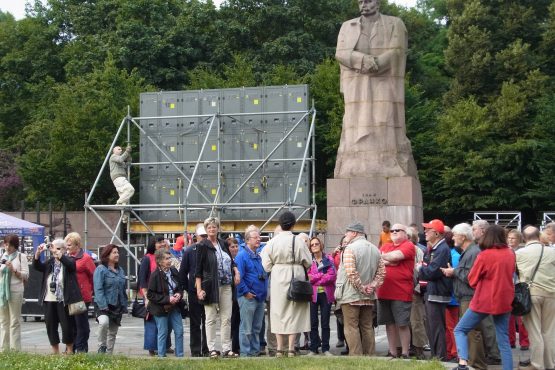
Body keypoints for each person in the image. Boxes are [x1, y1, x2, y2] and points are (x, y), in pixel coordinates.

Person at [334, 0, 417, 178]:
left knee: (383, 119)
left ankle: (389, 162)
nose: (364, 4)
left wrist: (377, 64)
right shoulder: (347, 26)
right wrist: (364, 61)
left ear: (378, 3)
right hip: (356, 85)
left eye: (368, 0)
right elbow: (340, 53)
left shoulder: (395, 23)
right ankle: (354, 164)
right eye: (360, 1)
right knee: (356, 123)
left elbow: (397, 51)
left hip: (385, 82)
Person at [453, 225, 515, 370]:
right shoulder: (510, 253)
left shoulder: (484, 255)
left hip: (484, 300)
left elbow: (472, 279)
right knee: (503, 340)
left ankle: (462, 364)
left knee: (460, 330)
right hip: (505, 300)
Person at [261, 211, 312, 357]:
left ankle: (279, 349)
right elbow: (308, 261)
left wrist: (276, 269)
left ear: (280, 224)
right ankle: (291, 348)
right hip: (295, 274)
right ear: (293, 224)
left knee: (278, 312)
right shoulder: (298, 241)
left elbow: (265, 264)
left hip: (278, 276)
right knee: (294, 312)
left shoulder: (272, 242)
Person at [334, 221, 385, 356]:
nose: (346, 234)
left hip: (351, 294)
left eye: (348, 232)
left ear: (355, 233)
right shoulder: (375, 249)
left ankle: (356, 357)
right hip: (368, 296)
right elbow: (382, 273)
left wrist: (361, 287)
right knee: (367, 326)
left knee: (351, 327)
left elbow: (351, 272)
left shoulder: (350, 249)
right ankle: (370, 355)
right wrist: (372, 286)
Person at [441, 223, 487, 370]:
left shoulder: (473, 252)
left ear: (463, 236)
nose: (453, 237)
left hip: (470, 297)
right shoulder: (469, 251)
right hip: (466, 297)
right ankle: (472, 363)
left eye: (455, 234)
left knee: (472, 332)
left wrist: (454, 272)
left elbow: (471, 277)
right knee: (469, 331)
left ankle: (476, 365)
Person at [195, 217, 240, 359]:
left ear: (218, 228)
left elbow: (231, 261)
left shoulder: (223, 243)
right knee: (211, 318)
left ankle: (227, 348)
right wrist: (199, 289)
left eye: (214, 227)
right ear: (206, 229)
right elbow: (198, 270)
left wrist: (236, 271)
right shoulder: (202, 245)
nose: (212, 229)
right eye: (209, 227)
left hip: (226, 285)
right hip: (210, 286)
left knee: (226, 318)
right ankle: (212, 349)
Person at [516, 226, 555, 370]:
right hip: (552, 294)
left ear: (524, 238)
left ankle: (537, 365)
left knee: (535, 331)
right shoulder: (552, 252)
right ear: (539, 236)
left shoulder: (519, 253)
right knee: (549, 331)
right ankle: (550, 364)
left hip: (531, 294)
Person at [33, 238, 81, 354]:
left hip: (63, 300)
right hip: (49, 299)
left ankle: (69, 350)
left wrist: (58, 253)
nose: (55, 251)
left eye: (58, 248)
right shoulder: (50, 263)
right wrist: (37, 255)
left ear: (64, 250)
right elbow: (38, 267)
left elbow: (71, 266)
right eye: (53, 248)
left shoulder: (69, 260)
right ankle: (55, 351)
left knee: (67, 326)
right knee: (51, 325)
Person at [378, 223, 415, 359]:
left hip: (401, 292)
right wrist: (390, 259)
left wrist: (387, 258)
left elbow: (396, 256)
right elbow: (380, 260)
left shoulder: (408, 245)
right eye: (392, 230)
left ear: (406, 234)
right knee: (389, 323)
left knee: (402, 323)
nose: (393, 232)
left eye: (397, 230)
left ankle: (405, 352)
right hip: (384, 290)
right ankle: (392, 351)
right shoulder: (386, 245)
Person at [417, 219, 452, 361]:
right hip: (432, 292)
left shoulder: (442, 249)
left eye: (428, 230)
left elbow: (433, 272)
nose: (424, 232)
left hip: (437, 293)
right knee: (432, 327)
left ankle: (439, 357)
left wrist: (420, 268)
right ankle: (436, 356)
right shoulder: (436, 248)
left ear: (436, 233)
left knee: (436, 327)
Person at [235, 229, 268, 357]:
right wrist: (246, 292)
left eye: (259, 237)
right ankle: (245, 353)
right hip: (248, 297)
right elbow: (238, 277)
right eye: (255, 237)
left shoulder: (257, 256)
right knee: (246, 328)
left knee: (256, 328)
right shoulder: (241, 256)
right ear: (247, 240)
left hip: (259, 298)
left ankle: (254, 352)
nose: (259, 239)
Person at [147, 249, 184, 358]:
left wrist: (178, 294)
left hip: (174, 306)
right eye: (166, 258)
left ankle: (180, 356)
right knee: (163, 332)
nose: (169, 260)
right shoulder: (155, 275)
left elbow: (180, 286)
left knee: (179, 331)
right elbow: (150, 295)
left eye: (170, 258)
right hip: (160, 308)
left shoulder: (173, 271)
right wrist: (168, 299)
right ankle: (161, 357)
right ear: (159, 261)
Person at [139, 236, 172, 356]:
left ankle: (165, 346)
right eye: (159, 242)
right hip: (151, 296)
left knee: (165, 322)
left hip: (164, 296)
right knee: (152, 323)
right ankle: (152, 347)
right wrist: (146, 297)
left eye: (163, 241)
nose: (162, 244)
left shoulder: (165, 256)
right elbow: (142, 279)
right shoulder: (147, 259)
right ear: (153, 244)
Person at [178, 224, 208, 357]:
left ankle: (207, 348)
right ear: (196, 236)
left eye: (205, 236)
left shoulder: (211, 249)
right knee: (195, 321)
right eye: (202, 236)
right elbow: (183, 271)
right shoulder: (189, 251)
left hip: (208, 290)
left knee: (208, 320)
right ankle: (196, 350)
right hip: (193, 291)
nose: (204, 238)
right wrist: (187, 288)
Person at [93, 244, 127, 354]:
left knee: (112, 333)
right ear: (107, 255)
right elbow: (98, 289)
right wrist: (103, 305)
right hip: (103, 305)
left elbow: (122, 289)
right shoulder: (100, 269)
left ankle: (108, 356)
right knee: (103, 323)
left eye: (117, 252)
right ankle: (101, 347)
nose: (117, 254)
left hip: (117, 305)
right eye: (114, 252)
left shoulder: (120, 270)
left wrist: (124, 304)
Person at [65, 232, 95, 353]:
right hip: (69, 296)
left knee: (81, 325)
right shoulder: (66, 257)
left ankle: (81, 349)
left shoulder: (86, 258)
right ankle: (74, 348)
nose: (67, 247)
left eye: (70, 245)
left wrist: (90, 291)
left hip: (81, 296)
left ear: (77, 245)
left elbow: (94, 275)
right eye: (66, 245)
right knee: (71, 325)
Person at [307, 236, 336, 356]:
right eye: (312, 245)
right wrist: (321, 276)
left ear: (321, 245)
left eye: (316, 244)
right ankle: (314, 348)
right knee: (313, 323)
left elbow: (332, 275)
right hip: (312, 295)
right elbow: (309, 278)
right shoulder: (309, 261)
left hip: (326, 294)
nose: (314, 246)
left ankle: (325, 348)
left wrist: (316, 278)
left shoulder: (328, 258)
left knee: (325, 322)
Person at [0, 234, 29, 351]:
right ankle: (3, 349)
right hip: (2, 292)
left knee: (14, 321)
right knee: (3, 321)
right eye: (6, 244)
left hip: (15, 291)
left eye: (10, 245)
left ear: (15, 246)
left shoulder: (21, 257)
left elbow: (26, 275)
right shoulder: (2, 256)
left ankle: (15, 350)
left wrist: (14, 270)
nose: (8, 247)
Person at [506, 229, 529, 351]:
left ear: (519, 240)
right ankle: (511, 341)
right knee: (509, 315)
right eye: (509, 238)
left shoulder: (522, 252)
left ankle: (524, 341)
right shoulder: (505, 252)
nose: (510, 240)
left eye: (513, 238)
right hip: (508, 286)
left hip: (519, 285)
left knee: (521, 315)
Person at [227, 236, 241, 355]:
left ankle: (236, 346)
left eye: (237, 246)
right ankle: (232, 347)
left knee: (237, 322)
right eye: (232, 246)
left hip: (239, 294)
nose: (235, 248)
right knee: (232, 322)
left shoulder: (239, 259)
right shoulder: (228, 261)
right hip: (231, 295)